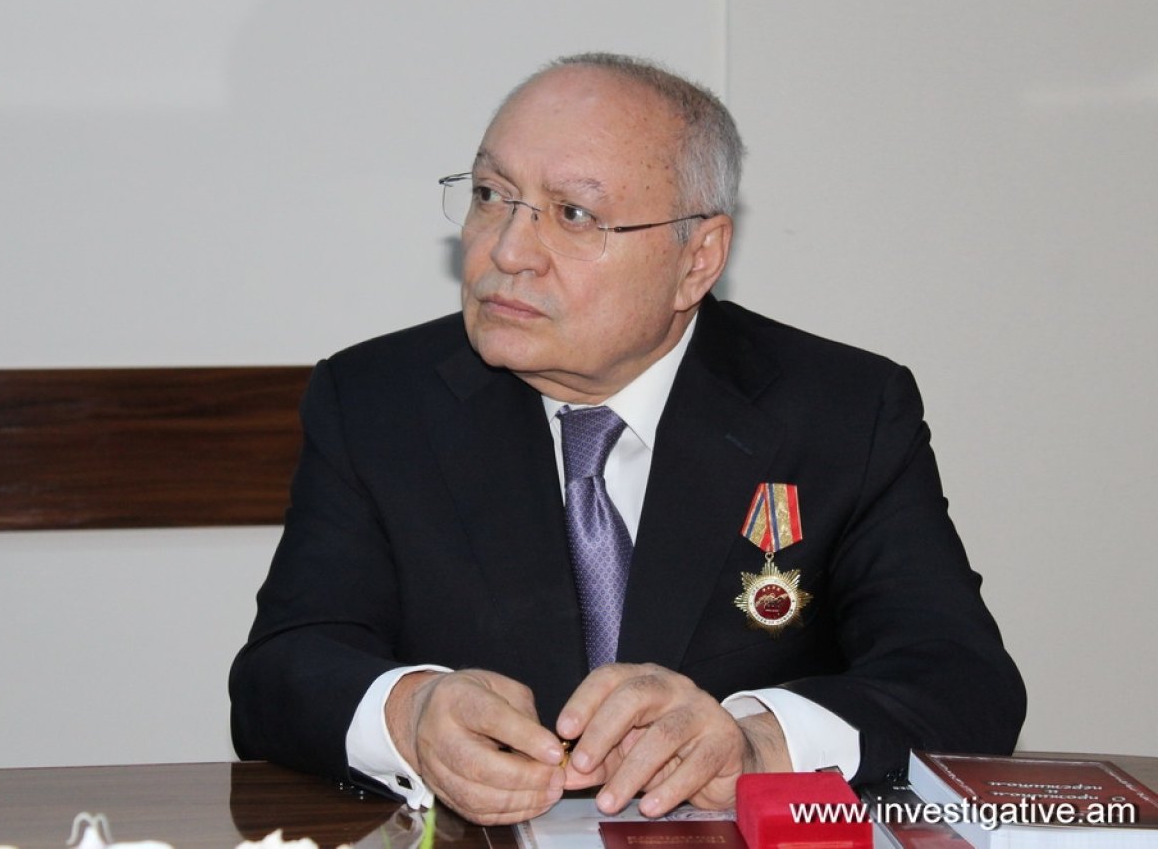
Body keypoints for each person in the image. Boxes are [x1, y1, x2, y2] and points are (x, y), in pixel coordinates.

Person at [229, 52, 1025, 826]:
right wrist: (410, 713)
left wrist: (757, 743)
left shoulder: (841, 410)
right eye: (491, 195)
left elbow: (962, 682)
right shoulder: (377, 401)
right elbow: (280, 672)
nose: (507, 251)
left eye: (573, 215)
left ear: (697, 259)